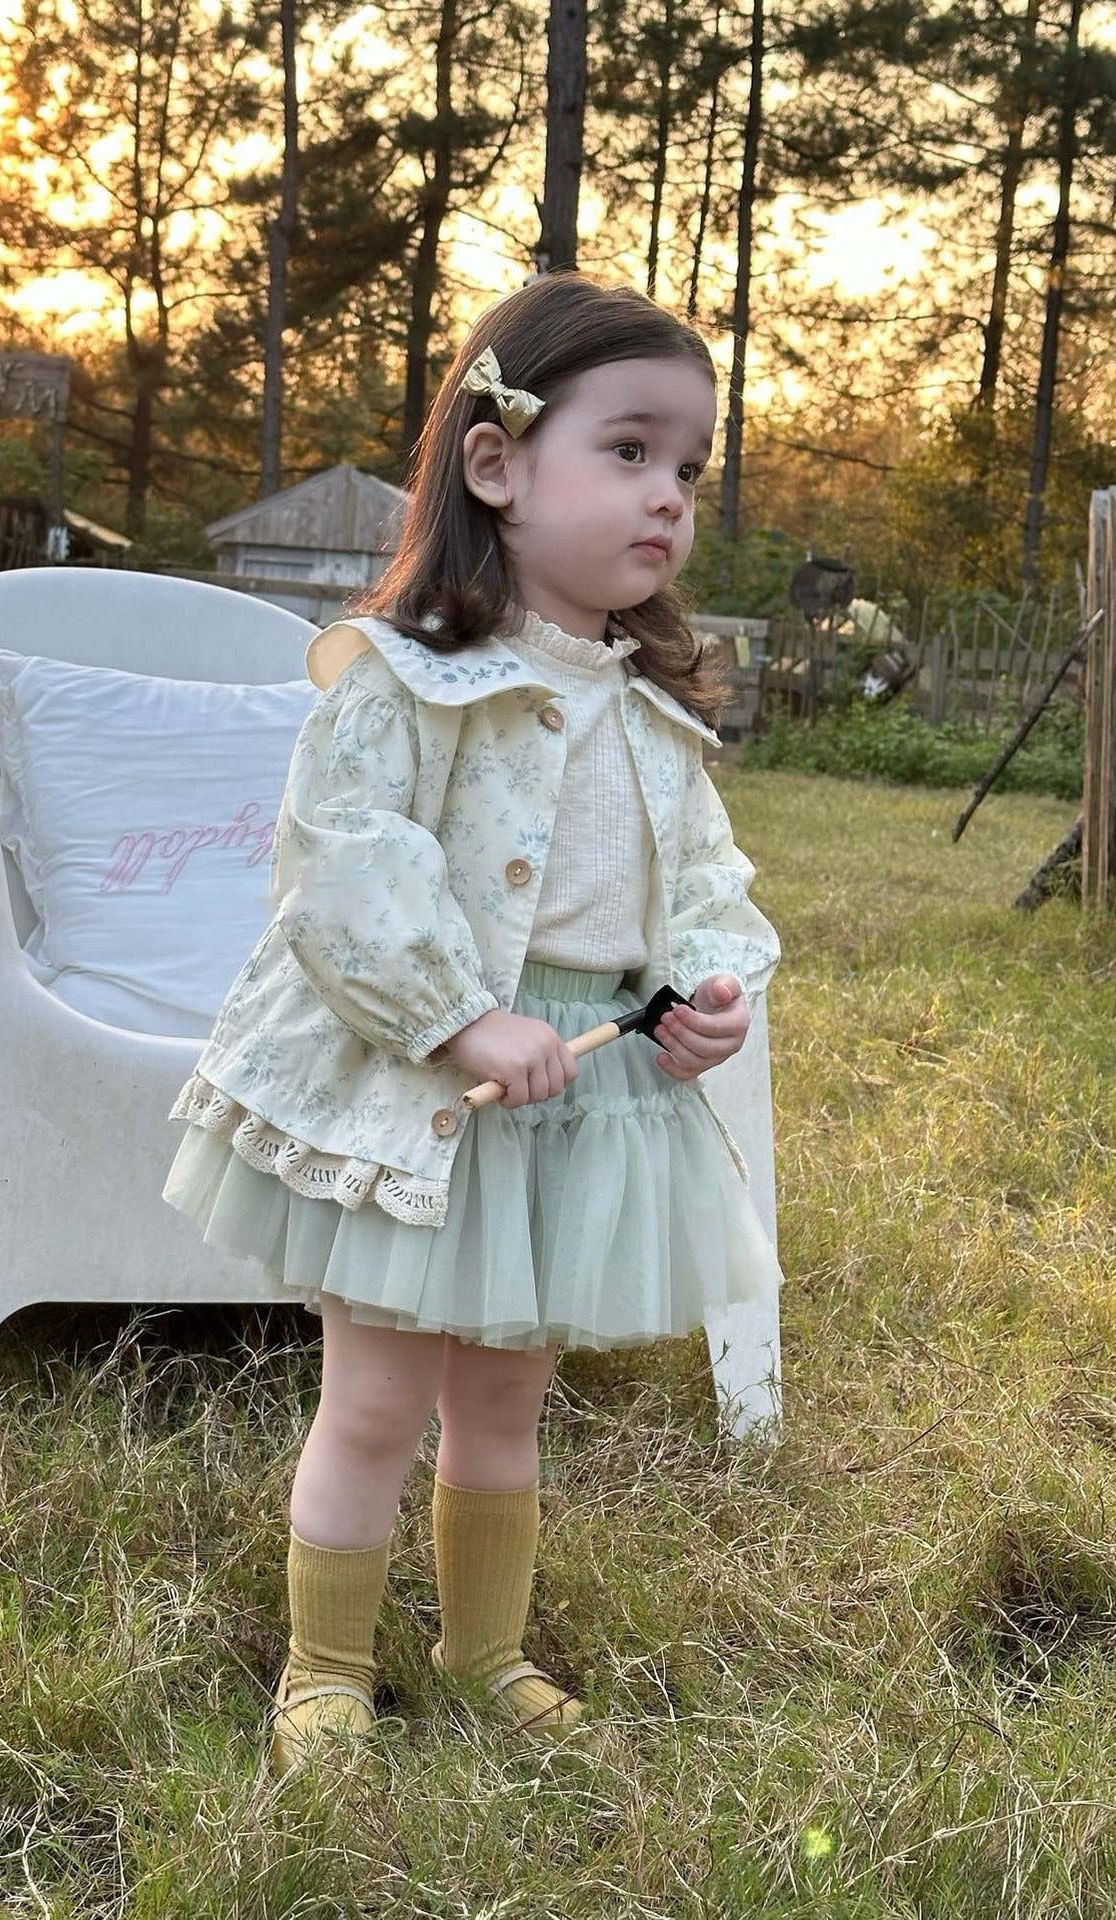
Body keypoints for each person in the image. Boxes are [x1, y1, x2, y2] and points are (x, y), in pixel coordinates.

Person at [160, 268, 784, 1777]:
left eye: (688, 469)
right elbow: (343, 867)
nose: (667, 499)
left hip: (574, 1094)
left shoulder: (654, 708)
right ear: (497, 466)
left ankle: (484, 1647)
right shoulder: (406, 682)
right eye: (628, 451)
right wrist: (456, 1019)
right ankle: (324, 1669)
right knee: (377, 1400)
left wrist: (707, 992)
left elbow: (699, 880)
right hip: (419, 1083)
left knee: (506, 1400)